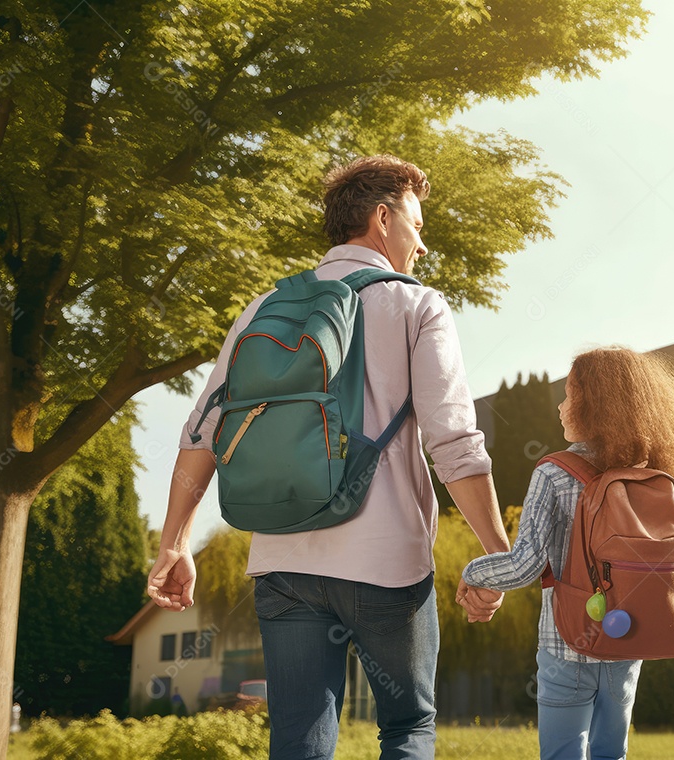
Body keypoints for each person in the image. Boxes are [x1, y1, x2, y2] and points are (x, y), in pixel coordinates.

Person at [146, 154, 511, 759]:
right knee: (407, 727)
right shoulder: (417, 305)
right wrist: (500, 554)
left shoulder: (264, 308)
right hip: (385, 562)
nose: (422, 245)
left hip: (283, 561)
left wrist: (174, 543)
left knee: (298, 740)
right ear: (383, 218)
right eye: (417, 226)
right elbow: (453, 441)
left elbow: (202, 432)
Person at [458, 347, 674, 760]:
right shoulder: (657, 479)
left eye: (570, 394)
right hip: (629, 644)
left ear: (594, 405)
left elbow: (524, 566)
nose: (561, 406)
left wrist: (474, 574)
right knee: (611, 754)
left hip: (566, 644)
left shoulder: (553, 472)